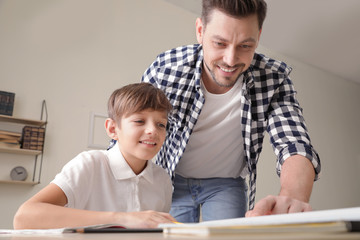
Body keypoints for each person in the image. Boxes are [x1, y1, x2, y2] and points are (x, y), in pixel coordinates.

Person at [140, 0, 321, 223]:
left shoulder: (274, 79)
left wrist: (293, 197)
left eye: (245, 46)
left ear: (258, 36)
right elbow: (131, 132)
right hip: (170, 180)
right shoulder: (166, 68)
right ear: (200, 31)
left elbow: (293, 143)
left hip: (225, 185)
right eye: (219, 43)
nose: (230, 59)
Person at [13, 83, 176, 229]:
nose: (152, 131)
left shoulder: (162, 180)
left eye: (161, 124)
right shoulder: (90, 164)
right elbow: (24, 217)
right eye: (140, 121)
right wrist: (122, 219)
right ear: (113, 129)